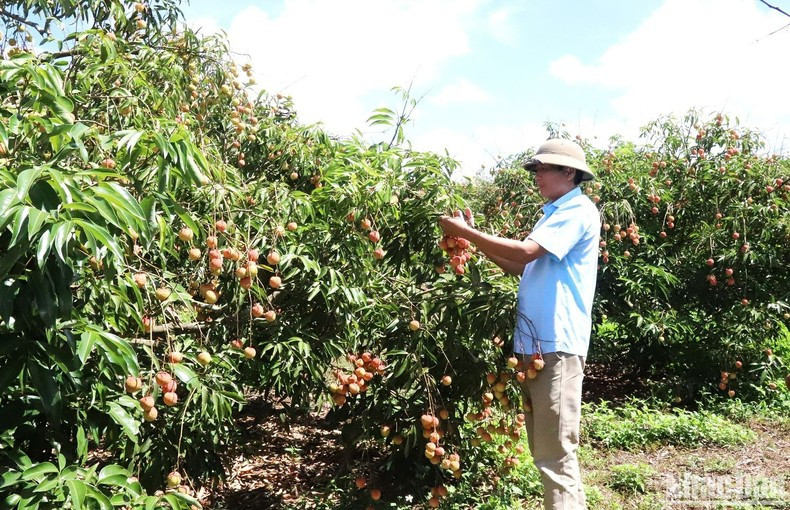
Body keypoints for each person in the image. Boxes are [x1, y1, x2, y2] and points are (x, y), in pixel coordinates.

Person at [438, 138, 600, 510]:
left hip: (556, 346)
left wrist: (465, 233)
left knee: (555, 454)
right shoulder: (553, 212)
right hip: (535, 348)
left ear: (569, 173)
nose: (537, 176)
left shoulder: (575, 210)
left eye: (544, 168)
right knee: (547, 451)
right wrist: (474, 242)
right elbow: (518, 265)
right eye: (537, 169)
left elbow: (526, 252)